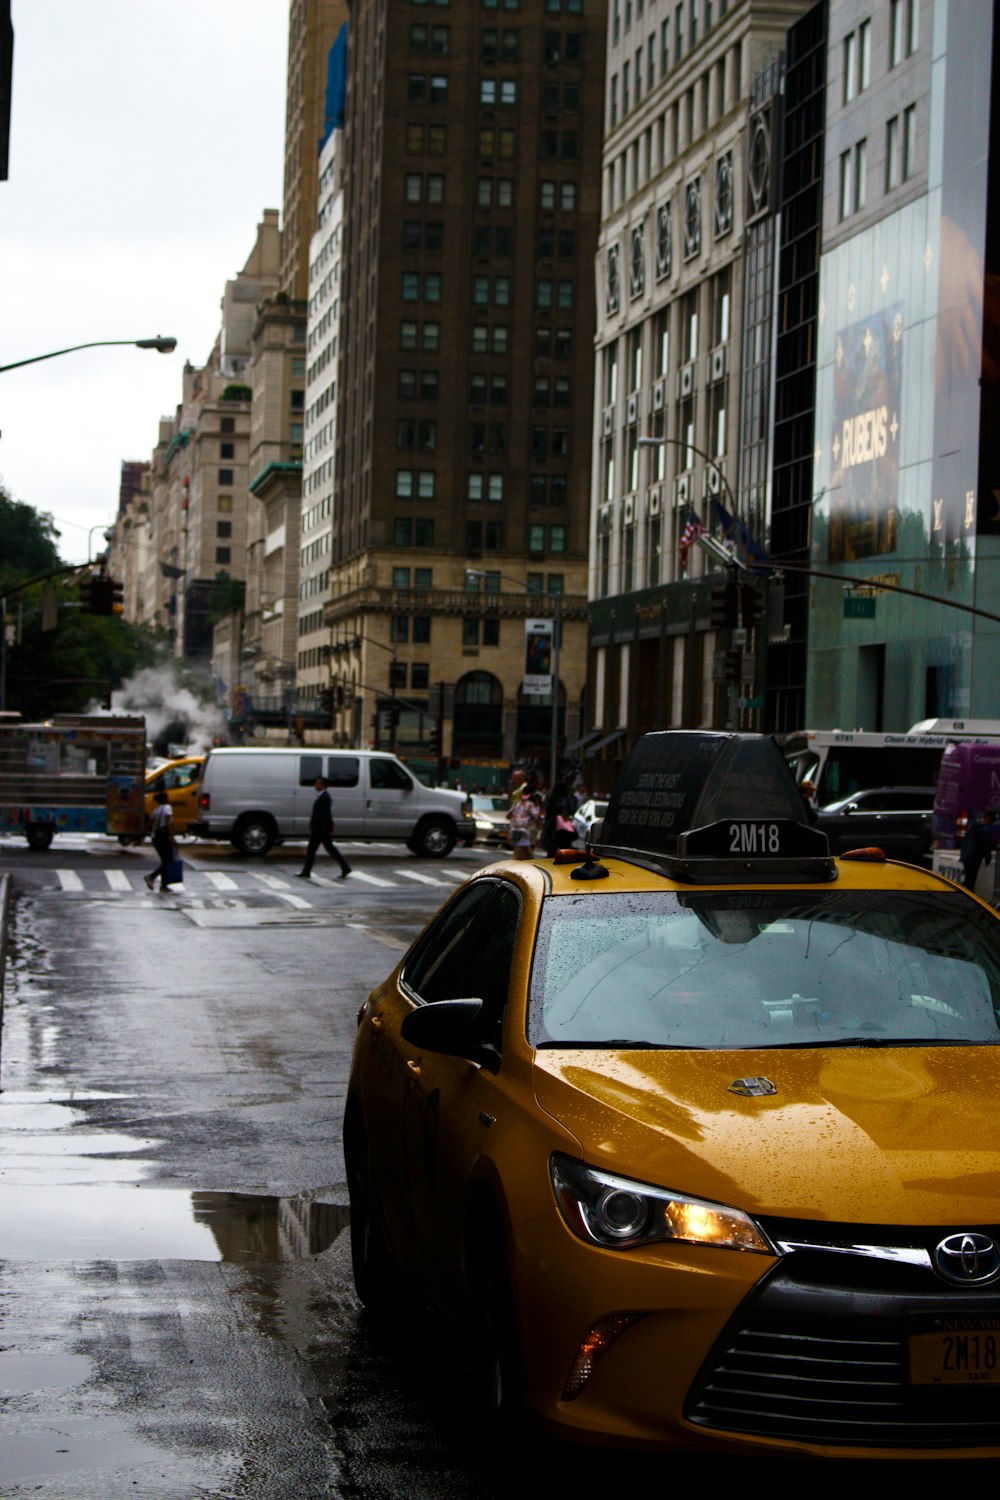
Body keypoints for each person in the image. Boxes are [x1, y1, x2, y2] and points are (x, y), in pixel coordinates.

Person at [297, 776, 351, 879]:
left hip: (321, 829)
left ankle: (306, 872)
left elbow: (326, 814)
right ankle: (345, 867)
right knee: (326, 850)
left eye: (318, 783)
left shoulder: (325, 797)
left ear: (323, 785)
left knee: (314, 850)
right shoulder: (321, 796)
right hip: (320, 829)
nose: (315, 785)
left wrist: (329, 827)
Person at [145, 791, 176, 891]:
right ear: (166, 799)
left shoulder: (156, 810)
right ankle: (151, 877)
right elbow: (167, 824)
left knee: (165, 861)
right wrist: (172, 837)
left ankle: (163, 885)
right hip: (163, 837)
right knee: (168, 861)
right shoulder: (168, 808)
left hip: (156, 837)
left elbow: (149, 824)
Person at [961, 810, 995, 891]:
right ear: (988, 818)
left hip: (966, 855)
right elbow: (986, 845)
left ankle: (964, 895)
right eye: (991, 821)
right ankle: (968, 899)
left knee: (968, 879)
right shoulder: (985, 830)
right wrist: (988, 858)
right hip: (975, 857)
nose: (991, 823)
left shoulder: (972, 825)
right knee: (971, 880)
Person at [508, 788, 540, 860]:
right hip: (523, 829)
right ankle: (517, 862)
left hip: (514, 827)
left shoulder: (516, 803)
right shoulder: (529, 804)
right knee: (522, 845)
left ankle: (530, 863)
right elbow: (536, 815)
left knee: (524, 846)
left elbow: (508, 815)